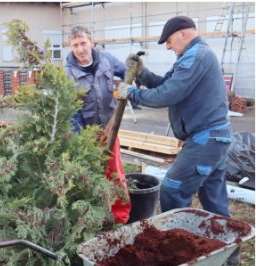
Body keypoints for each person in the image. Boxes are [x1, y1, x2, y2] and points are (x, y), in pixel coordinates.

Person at [118, 17, 234, 234]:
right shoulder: (194, 55)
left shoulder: (196, 55)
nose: (169, 46)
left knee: (172, 188)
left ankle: (180, 241)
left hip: (206, 139)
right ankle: (227, 256)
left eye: (169, 40)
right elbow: (167, 84)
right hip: (214, 138)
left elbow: (169, 94)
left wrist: (133, 93)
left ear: (184, 33)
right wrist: (143, 73)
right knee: (214, 201)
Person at [64, 26, 131, 223]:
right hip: (85, 134)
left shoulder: (106, 60)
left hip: (110, 128)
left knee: (115, 174)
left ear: (91, 42)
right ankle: (94, 216)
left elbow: (127, 72)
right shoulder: (68, 73)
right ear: (71, 47)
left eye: (83, 43)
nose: (80, 49)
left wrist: (135, 81)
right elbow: (71, 112)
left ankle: (120, 218)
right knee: (90, 176)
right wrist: (80, 142)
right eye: (75, 45)